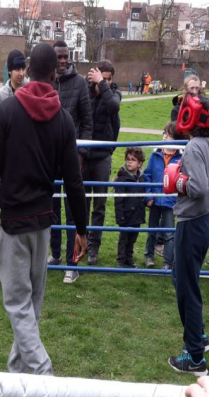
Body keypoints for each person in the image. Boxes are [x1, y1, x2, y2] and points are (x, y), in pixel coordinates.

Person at [0, 43, 88, 375]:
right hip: (42, 224)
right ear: (55, 73)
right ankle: (17, 372)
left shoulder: (6, 112)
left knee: (19, 304)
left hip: (14, 224)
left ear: (27, 69)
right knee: (30, 305)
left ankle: (43, 374)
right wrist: (82, 229)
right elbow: (74, 182)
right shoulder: (64, 120)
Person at [164, 94, 209, 376]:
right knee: (180, 276)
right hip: (204, 222)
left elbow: (201, 188)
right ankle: (199, 337)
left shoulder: (192, 147)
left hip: (191, 224)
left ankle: (194, 359)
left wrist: (178, 180)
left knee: (187, 289)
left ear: (189, 118)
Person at [48, 40, 92, 284]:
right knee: (50, 207)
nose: (63, 61)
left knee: (73, 210)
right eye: (59, 57)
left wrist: (81, 153)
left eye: (66, 56)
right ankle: (55, 254)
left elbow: (87, 122)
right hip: (49, 158)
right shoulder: (47, 81)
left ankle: (71, 263)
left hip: (73, 158)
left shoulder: (80, 83)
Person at [84, 60, 122, 266]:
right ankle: (79, 242)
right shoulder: (85, 93)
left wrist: (103, 85)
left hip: (102, 156)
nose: (104, 82)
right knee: (82, 203)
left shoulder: (114, 93)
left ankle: (93, 247)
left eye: (108, 79)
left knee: (99, 205)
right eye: (101, 78)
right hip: (84, 155)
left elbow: (113, 107)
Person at [144, 121, 182, 270]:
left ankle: (167, 262)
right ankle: (149, 256)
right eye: (164, 133)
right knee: (151, 230)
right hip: (155, 199)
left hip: (171, 201)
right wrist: (149, 195)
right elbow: (147, 175)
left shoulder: (180, 157)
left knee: (169, 233)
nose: (165, 137)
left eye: (169, 134)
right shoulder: (155, 154)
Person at [114, 147, 145, 268]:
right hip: (125, 216)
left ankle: (129, 259)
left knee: (132, 239)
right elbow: (118, 201)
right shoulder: (122, 178)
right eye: (128, 159)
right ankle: (120, 260)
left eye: (133, 159)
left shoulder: (142, 178)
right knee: (124, 239)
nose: (129, 162)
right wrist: (120, 217)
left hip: (137, 215)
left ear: (140, 163)